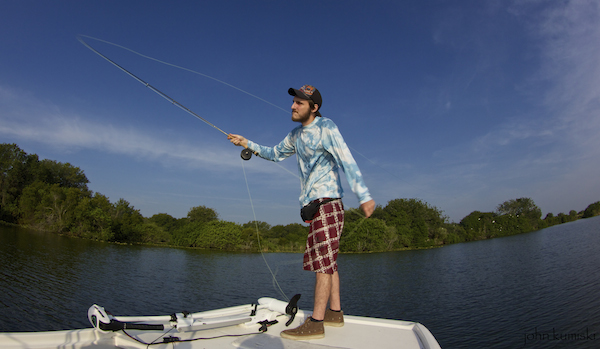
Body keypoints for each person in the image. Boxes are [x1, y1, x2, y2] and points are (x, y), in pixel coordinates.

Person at [228, 85, 375, 340]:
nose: (293, 106)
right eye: (294, 102)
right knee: (329, 262)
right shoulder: (295, 135)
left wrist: (364, 195)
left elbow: (346, 159)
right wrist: (246, 143)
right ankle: (335, 313)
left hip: (328, 203)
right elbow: (274, 154)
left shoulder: (327, 127)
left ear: (314, 108)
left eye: (300, 103)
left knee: (323, 265)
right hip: (314, 208)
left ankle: (316, 323)